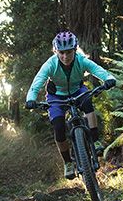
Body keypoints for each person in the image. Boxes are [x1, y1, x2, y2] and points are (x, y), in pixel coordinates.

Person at [25, 31, 116, 179]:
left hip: (77, 90)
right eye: (61, 53)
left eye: (69, 52)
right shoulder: (50, 64)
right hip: (56, 96)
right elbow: (37, 83)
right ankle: (68, 162)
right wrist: (31, 99)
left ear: (75, 50)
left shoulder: (81, 60)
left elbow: (97, 70)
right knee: (59, 127)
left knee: (87, 101)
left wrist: (109, 78)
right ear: (56, 51)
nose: (65, 57)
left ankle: (95, 139)